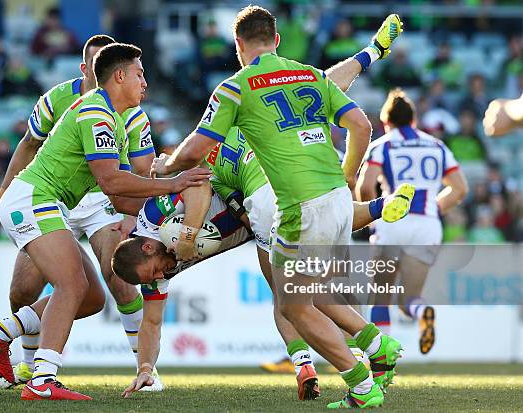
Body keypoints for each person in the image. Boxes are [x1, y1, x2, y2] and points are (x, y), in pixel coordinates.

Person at [150, 7, 405, 408]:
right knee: (310, 292)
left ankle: (361, 375)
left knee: (291, 305)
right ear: (278, 40)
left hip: (296, 208)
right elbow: (361, 125)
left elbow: (195, 152)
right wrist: (348, 178)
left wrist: (165, 166)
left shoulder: (236, 89)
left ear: (238, 46)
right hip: (338, 200)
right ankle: (375, 347)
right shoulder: (309, 75)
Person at [0, 42, 211, 400]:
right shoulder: (96, 114)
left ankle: (2, 332)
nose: (145, 82)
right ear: (118, 76)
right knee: (67, 286)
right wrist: (172, 183)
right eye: (139, 74)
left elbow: (117, 196)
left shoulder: (114, 117)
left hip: (48, 203)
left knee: (93, 296)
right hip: (34, 200)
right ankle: (42, 380)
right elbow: (111, 181)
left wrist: (164, 202)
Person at [117, 127, 414, 400]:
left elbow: (198, 185)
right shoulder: (151, 270)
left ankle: (353, 358)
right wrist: (145, 366)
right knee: (293, 289)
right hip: (253, 216)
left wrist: (188, 235)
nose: (164, 273)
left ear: (147, 246)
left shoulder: (155, 215)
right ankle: (378, 208)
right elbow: (152, 323)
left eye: (156, 269)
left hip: (250, 206)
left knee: (295, 295)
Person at [356, 88, 469, 355]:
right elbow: (460, 189)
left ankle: (381, 357)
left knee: (381, 294)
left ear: (387, 122)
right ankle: (422, 312)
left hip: (392, 223)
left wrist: (374, 218)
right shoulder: (436, 145)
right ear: (414, 120)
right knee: (409, 300)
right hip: (427, 225)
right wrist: (434, 208)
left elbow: (365, 186)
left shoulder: (383, 144)